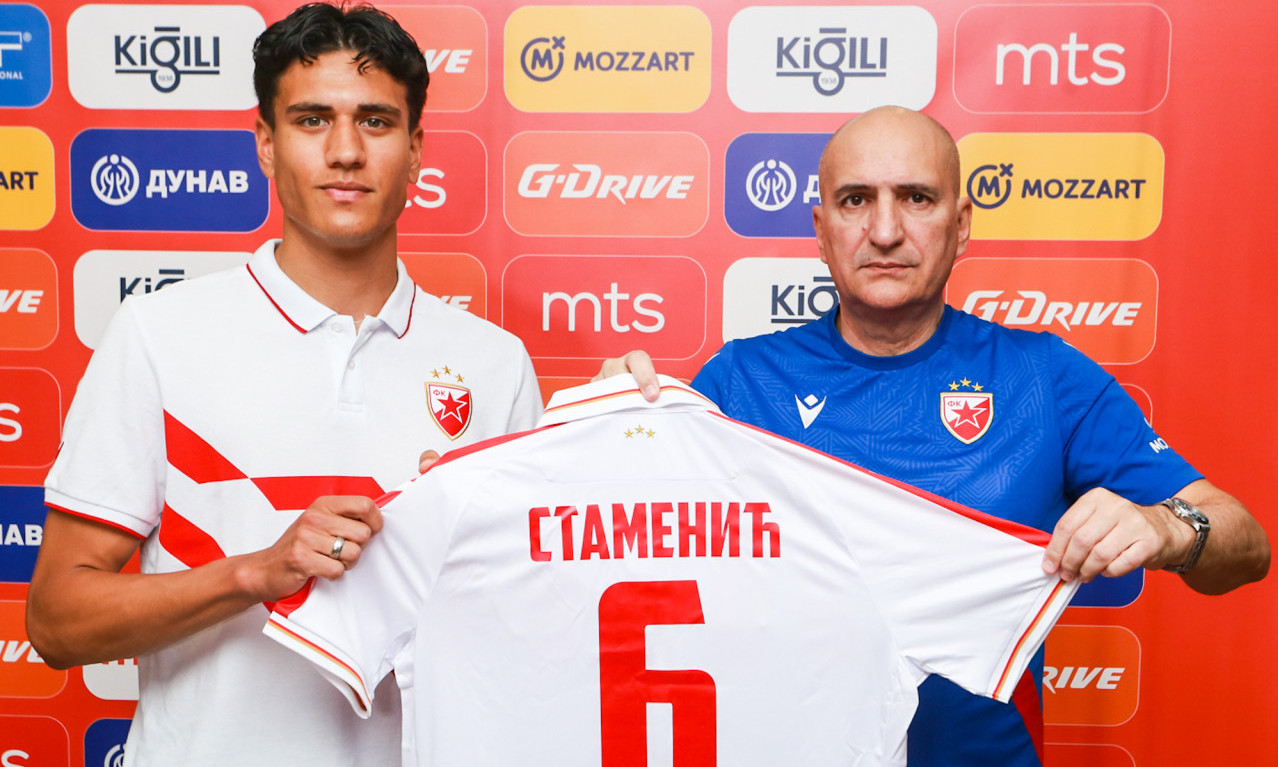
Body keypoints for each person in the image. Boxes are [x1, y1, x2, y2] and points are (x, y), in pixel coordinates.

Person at [603, 106, 1270, 766]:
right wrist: (613, 433)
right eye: (855, 200)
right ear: (821, 229)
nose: (885, 231)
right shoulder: (741, 382)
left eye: (916, 198)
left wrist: (1168, 526)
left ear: (961, 224)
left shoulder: (1043, 377)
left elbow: (1245, 543)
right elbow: (629, 562)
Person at [26, 4, 543, 766]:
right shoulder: (159, 335)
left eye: (375, 121)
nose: (345, 151)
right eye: (311, 120)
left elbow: (533, 632)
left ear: (416, 150)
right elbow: (55, 620)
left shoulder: (495, 365)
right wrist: (255, 572)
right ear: (266, 144)